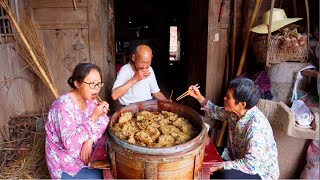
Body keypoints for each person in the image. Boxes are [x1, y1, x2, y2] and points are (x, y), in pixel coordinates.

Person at [187, 77, 279, 179]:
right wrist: (199, 97)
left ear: (242, 104)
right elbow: (215, 112)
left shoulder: (256, 128)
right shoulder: (234, 112)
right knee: (205, 153)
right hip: (235, 156)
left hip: (259, 172)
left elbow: (251, 165)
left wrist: (222, 166)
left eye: (228, 97)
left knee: (227, 176)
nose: (224, 98)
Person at [45, 63, 109, 179]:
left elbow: (104, 121)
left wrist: (90, 140)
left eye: (99, 84)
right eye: (91, 84)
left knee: (112, 172)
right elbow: (69, 144)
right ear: (77, 83)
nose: (96, 89)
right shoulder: (63, 106)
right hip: (67, 165)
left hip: (88, 157)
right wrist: (93, 117)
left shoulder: (90, 100)